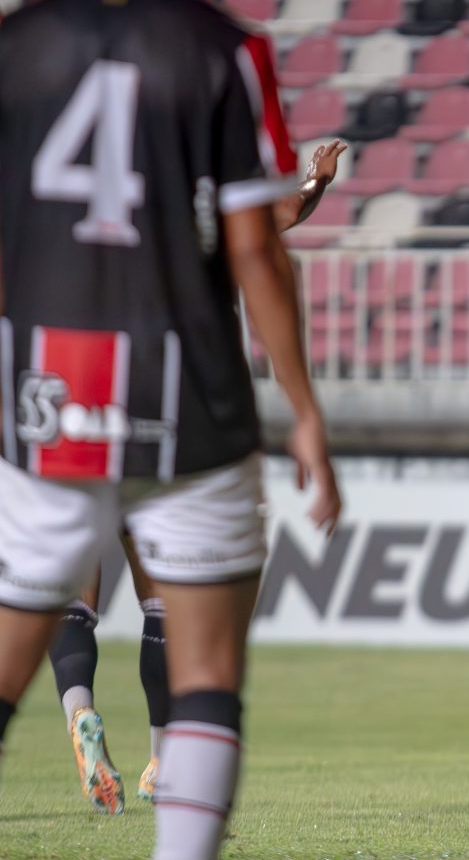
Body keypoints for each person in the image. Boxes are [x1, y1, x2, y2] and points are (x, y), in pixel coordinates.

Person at [0, 0, 342, 858]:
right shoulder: (223, 49)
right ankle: (167, 782)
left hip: (53, 384)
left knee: (26, 623)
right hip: (186, 385)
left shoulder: (20, 44)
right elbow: (255, 245)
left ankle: (79, 713)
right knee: (200, 663)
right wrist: (302, 409)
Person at [48, 139, 349, 816]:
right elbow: (277, 222)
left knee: (74, 593)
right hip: (168, 418)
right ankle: (162, 756)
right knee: (163, 600)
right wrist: (315, 183)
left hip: (83, 408)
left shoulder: (79, 224)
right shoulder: (198, 212)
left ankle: (80, 710)